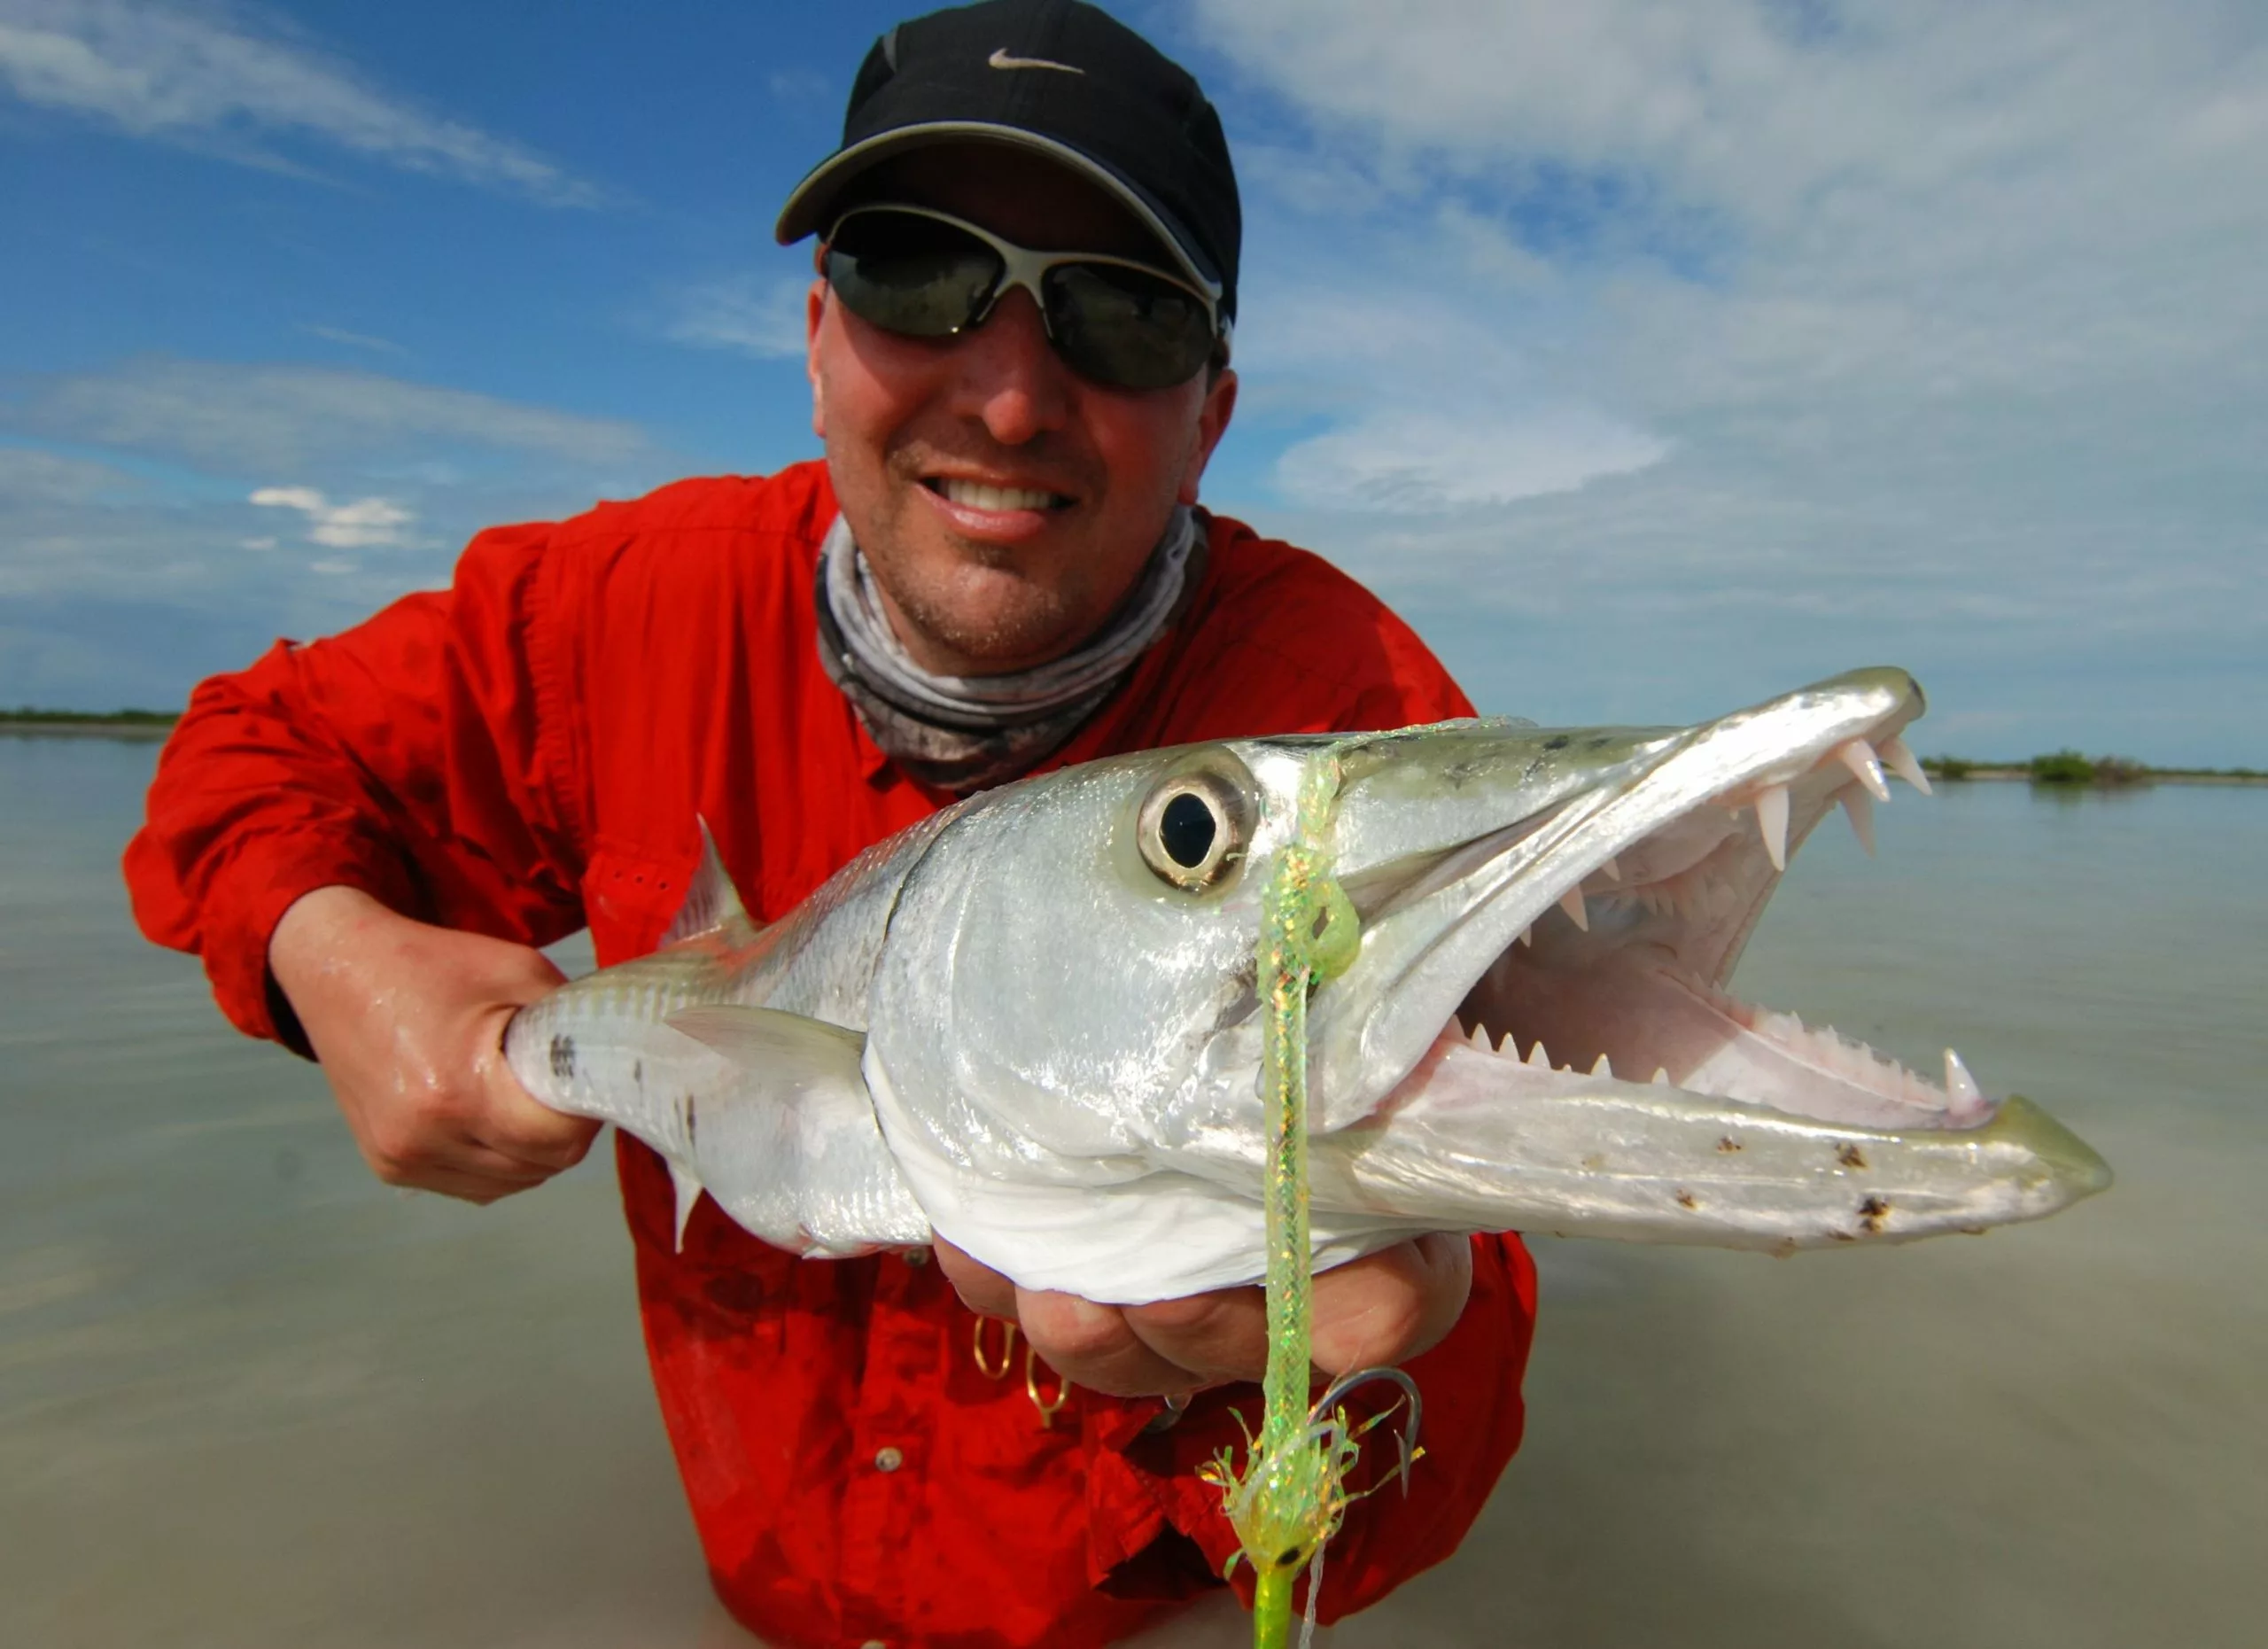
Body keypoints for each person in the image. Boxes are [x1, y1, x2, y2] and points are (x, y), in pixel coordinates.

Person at [123, 4, 1538, 1645]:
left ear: (1214, 412)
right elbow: (251, 753)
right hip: (761, 1591)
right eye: (915, 271)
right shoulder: (615, 612)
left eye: (1123, 315)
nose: (1010, 400)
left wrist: (1356, 1348)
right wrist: (329, 952)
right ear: (815, 335)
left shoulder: (1356, 728)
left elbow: (1461, 1310)